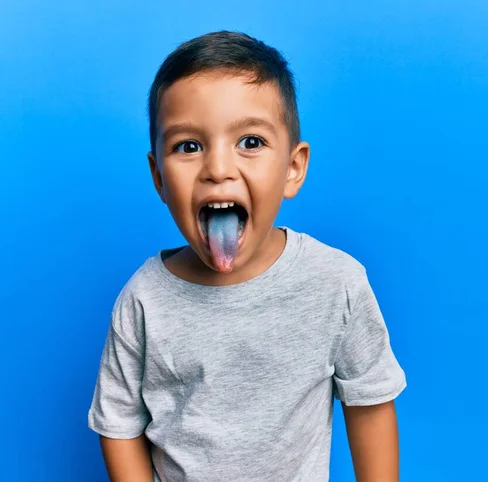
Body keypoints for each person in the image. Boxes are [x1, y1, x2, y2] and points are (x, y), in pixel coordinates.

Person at [88, 30, 407, 482]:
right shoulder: (143, 301)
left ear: (292, 169)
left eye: (251, 142)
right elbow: (118, 426)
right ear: (159, 177)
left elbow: (370, 404)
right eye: (188, 146)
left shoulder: (336, 283)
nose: (218, 169)